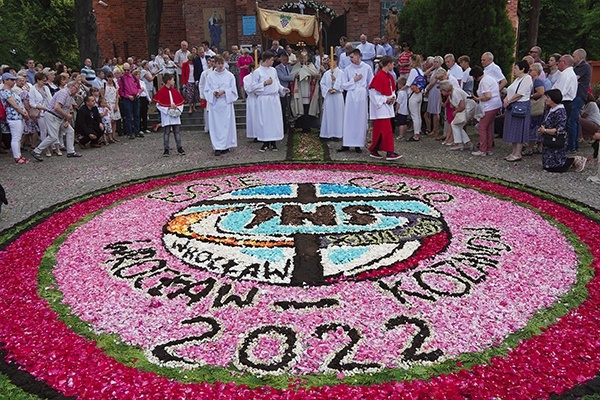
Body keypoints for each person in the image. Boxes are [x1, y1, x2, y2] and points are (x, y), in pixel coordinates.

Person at [538, 89, 587, 172]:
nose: (546, 99)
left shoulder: (560, 111)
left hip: (556, 138)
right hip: (548, 138)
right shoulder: (551, 110)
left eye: (548, 98)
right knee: (547, 165)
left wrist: (545, 130)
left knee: (558, 165)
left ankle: (575, 160)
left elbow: (560, 129)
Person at [252, 52, 290, 151]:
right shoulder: (257, 72)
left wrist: (282, 89)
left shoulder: (273, 70)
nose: (273, 62)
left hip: (274, 98)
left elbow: (277, 82)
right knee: (265, 121)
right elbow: (253, 87)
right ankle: (265, 143)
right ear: (266, 59)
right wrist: (264, 83)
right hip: (264, 99)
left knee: (274, 121)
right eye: (272, 60)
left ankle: (273, 143)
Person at [338, 48, 373, 153]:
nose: (351, 59)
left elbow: (371, 83)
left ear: (358, 56)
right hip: (351, 95)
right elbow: (343, 85)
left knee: (360, 119)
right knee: (349, 119)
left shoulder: (367, 68)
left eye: (352, 57)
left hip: (361, 95)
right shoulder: (348, 69)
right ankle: (347, 143)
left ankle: (358, 144)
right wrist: (354, 80)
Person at [368, 56, 401, 160]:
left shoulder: (389, 76)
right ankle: (389, 151)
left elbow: (392, 90)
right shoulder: (379, 76)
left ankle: (374, 149)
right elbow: (373, 93)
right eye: (392, 63)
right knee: (386, 129)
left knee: (380, 130)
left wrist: (392, 98)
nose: (393, 66)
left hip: (386, 106)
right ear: (388, 64)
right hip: (380, 107)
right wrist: (385, 100)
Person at [204, 56, 238, 156]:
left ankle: (226, 145)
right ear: (215, 64)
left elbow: (233, 90)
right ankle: (218, 146)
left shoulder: (230, 76)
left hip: (225, 103)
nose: (220, 66)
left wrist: (224, 91)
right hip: (215, 104)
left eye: (221, 64)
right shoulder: (210, 76)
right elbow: (206, 90)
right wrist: (213, 93)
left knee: (226, 125)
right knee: (216, 126)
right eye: (218, 64)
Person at [42, 80, 82, 159]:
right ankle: (37, 151)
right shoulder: (63, 93)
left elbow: (66, 108)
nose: (77, 90)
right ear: (71, 87)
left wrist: (66, 120)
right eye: (77, 88)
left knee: (70, 131)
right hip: (52, 115)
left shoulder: (70, 96)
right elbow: (57, 107)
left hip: (60, 117)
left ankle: (71, 152)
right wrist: (67, 116)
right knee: (52, 136)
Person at [502, 60, 533, 162]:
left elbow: (520, 93)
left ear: (522, 69)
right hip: (512, 105)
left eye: (516, 68)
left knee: (518, 129)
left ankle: (518, 152)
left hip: (520, 106)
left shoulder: (527, 78)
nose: (514, 71)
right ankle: (513, 151)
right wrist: (506, 99)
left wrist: (509, 101)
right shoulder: (517, 80)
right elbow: (510, 91)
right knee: (512, 129)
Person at [470, 66, 501, 156]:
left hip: (489, 107)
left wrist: (478, 98)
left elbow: (488, 96)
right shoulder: (489, 78)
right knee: (489, 127)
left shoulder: (484, 82)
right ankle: (489, 148)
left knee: (482, 127)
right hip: (495, 105)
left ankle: (482, 150)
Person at [152, 73, 185, 157]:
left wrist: (177, 108)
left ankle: (179, 148)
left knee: (177, 132)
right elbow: (158, 104)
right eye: (173, 80)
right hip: (166, 115)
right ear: (168, 81)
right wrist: (167, 109)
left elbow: (180, 102)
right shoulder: (161, 92)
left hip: (175, 114)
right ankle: (166, 149)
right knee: (166, 132)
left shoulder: (174, 91)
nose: (174, 81)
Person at [0, 72, 29, 163]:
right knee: (16, 137)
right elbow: (15, 105)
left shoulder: (11, 91)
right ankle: (17, 156)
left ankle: (19, 155)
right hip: (13, 117)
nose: (14, 82)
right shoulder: (5, 92)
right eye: (12, 80)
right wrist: (24, 113)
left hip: (18, 116)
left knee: (18, 136)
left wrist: (24, 112)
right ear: (5, 81)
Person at [290, 52, 320, 132]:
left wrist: (310, 74)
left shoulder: (310, 65)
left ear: (307, 58)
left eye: (304, 58)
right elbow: (293, 74)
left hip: (308, 87)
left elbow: (315, 73)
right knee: (300, 106)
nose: (302, 60)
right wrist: (296, 75)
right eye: (301, 58)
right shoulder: (296, 66)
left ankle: (309, 125)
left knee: (308, 107)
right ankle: (300, 125)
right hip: (300, 87)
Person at [569, 49, 592, 153]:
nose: (573, 58)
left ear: (580, 57)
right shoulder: (578, 67)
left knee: (572, 120)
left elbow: (574, 78)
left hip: (579, 95)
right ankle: (575, 144)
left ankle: (571, 146)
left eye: (574, 56)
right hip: (577, 95)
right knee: (575, 120)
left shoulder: (584, 67)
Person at [439, 80, 472, 151]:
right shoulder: (452, 94)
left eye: (441, 90)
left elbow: (462, 106)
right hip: (467, 108)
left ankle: (459, 143)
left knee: (455, 124)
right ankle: (467, 142)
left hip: (469, 108)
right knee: (458, 125)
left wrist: (456, 111)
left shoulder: (455, 93)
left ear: (445, 89)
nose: (441, 92)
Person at [319, 55, 344, 141]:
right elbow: (322, 84)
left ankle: (337, 134)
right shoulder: (326, 73)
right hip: (329, 96)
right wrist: (327, 89)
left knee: (337, 115)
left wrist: (336, 82)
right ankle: (327, 133)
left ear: (336, 61)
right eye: (329, 61)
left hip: (337, 96)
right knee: (329, 114)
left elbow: (343, 84)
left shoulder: (341, 72)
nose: (330, 63)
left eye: (331, 61)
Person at [525, 63, 546, 156]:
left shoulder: (537, 81)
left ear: (536, 72)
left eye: (531, 70)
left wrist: (531, 96)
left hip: (536, 107)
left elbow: (541, 92)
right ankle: (539, 147)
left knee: (534, 127)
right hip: (539, 109)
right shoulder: (535, 80)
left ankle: (530, 147)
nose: (529, 72)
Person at [118, 63, 142, 139]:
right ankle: (129, 132)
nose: (126, 71)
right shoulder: (121, 79)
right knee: (128, 116)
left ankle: (137, 131)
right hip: (127, 99)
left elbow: (139, 87)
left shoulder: (134, 77)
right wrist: (127, 96)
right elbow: (120, 91)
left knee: (137, 115)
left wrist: (138, 93)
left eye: (128, 70)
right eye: (125, 70)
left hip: (135, 97)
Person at [403, 54, 424, 141]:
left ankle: (416, 134)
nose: (409, 62)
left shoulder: (413, 71)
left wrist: (400, 89)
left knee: (414, 116)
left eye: (410, 60)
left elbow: (408, 84)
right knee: (418, 115)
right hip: (419, 94)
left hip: (413, 95)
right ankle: (418, 132)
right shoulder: (420, 70)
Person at [275, 53, 294, 135]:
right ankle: (283, 127)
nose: (285, 62)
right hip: (282, 90)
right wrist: (293, 77)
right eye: (284, 60)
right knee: (283, 109)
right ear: (280, 59)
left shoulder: (290, 67)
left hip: (291, 89)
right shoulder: (277, 68)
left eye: (287, 60)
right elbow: (283, 77)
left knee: (290, 108)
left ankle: (290, 125)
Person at [243, 63, 258, 141]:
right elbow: (248, 89)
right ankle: (255, 134)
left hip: (259, 98)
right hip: (252, 98)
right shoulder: (247, 78)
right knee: (253, 116)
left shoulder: (260, 77)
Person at [395, 76, 409, 141]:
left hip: (401, 110)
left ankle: (400, 135)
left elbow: (398, 103)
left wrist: (396, 110)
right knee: (405, 123)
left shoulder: (400, 92)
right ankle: (403, 134)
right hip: (405, 110)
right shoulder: (406, 92)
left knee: (400, 124)